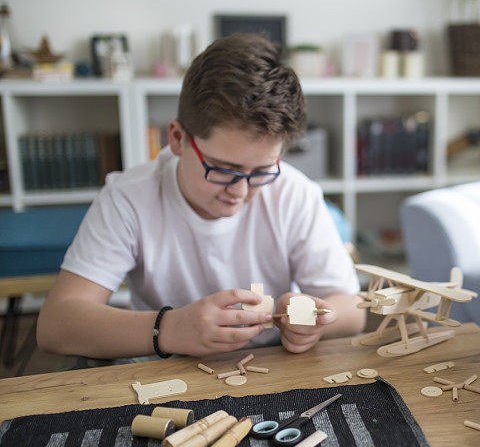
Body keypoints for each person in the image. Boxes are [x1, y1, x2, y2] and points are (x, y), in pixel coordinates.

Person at [37, 34, 364, 360]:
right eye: (223, 169)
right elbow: (56, 325)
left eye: (261, 171)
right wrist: (169, 329)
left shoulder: (295, 194)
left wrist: (313, 321)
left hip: (271, 365)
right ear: (178, 139)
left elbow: (353, 310)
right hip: (162, 370)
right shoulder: (128, 199)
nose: (240, 190)